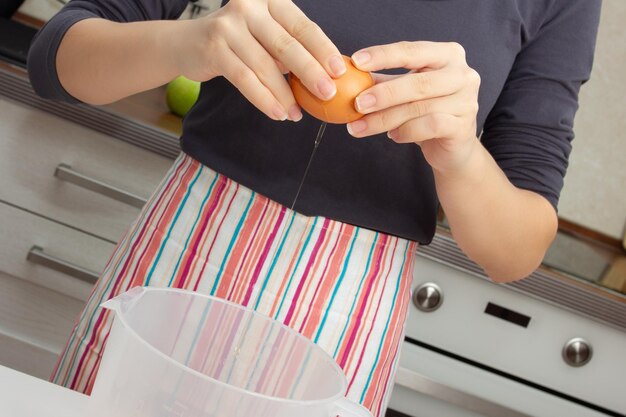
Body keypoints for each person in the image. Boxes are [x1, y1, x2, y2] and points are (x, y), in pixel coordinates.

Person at [27, 0, 601, 415]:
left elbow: (517, 251)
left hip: (345, 315)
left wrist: (462, 155)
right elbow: (56, 57)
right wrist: (189, 42)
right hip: (183, 259)